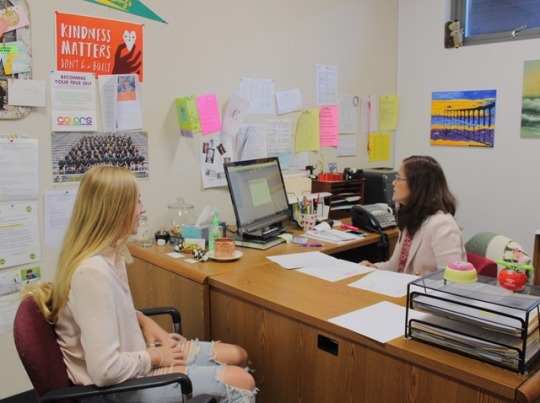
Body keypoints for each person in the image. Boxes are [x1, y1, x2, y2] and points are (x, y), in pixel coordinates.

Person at [22, 165, 257, 403]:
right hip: (119, 388)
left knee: (238, 355)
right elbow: (105, 371)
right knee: (242, 382)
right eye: (137, 203)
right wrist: (155, 356)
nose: (143, 209)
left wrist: (143, 320)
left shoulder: (110, 252)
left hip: (134, 359)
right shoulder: (91, 273)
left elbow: (103, 312)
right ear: (114, 211)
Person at [360, 155, 466, 275]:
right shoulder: (411, 218)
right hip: (403, 289)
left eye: (398, 178)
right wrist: (373, 267)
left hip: (422, 292)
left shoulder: (442, 224)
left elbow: (449, 280)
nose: (394, 182)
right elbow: (397, 266)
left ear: (417, 185)